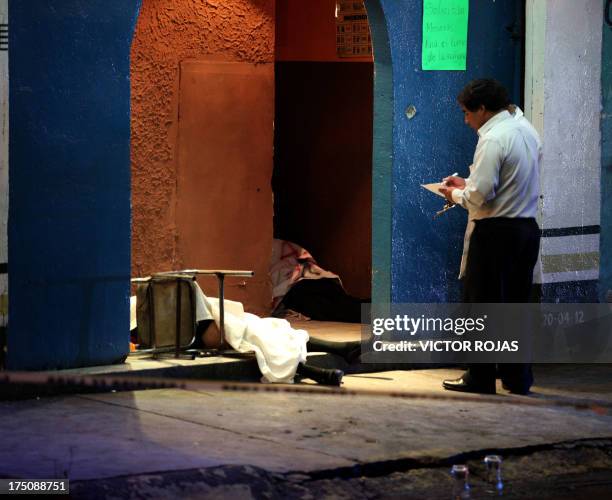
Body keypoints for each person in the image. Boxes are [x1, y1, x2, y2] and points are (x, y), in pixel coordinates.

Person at [438, 79, 542, 395]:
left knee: (481, 306)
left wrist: (454, 193)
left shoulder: (493, 138)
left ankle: (480, 377)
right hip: (525, 229)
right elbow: (505, 182)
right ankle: (517, 377)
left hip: (495, 232)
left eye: (467, 113)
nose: (466, 120)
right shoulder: (525, 130)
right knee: (515, 306)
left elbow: (479, 196)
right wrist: (466, 182)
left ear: (482, 109)